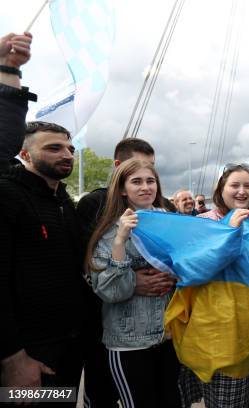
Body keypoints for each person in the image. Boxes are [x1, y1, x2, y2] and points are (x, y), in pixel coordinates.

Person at [0, 32, 86, 405]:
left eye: (69, 147)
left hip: (67, 350)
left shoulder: (65, 203)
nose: (66, 154)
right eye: (53, 148)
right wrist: (12, 357)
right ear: (24, 154)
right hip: (25, 358)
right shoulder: (8, 195)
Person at [167, 163, 249, 408]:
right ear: (221, 189)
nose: (242, 191)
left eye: (248, 186)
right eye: (235, 185)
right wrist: (229, 232)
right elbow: (191, 270)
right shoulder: (202, 224)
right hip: (221, 340)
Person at [76, 137, 175, 408]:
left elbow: (189, 269)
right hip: (129, 341)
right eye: (136, 181)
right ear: (121, 188)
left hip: (167, 336)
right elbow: (109, 290)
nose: (145, 187)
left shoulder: (171, 221)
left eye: (150, 180)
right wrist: (121, 240)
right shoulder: (109, 231)